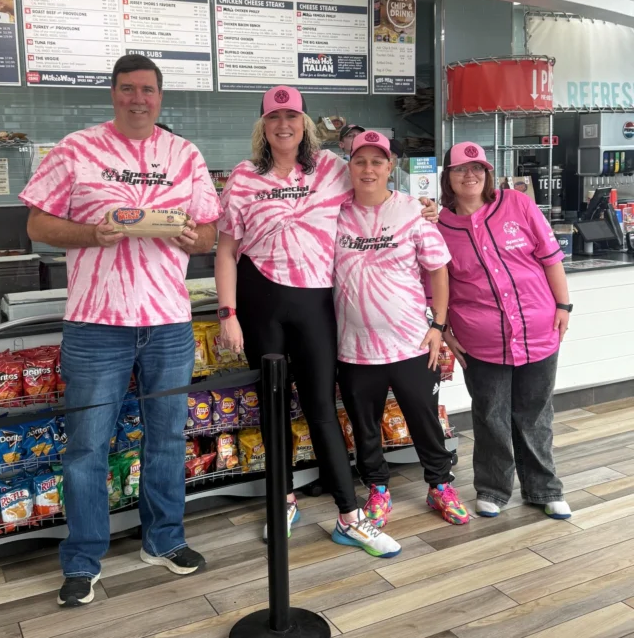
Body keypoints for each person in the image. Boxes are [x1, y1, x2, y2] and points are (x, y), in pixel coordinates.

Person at [20, 55, 222, 607]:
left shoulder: (185, 155)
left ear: (161, 97)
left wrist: (191, 238)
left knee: (166, 440)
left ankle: (164, 540)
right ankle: (83, 560)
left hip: (168, 324)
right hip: (95, 325)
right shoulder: (75, 148)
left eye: (148, 90)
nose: (139, 99)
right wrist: (90, 233)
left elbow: (208, 232)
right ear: (113, 94)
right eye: (128, 89)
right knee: (86, 447)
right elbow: (36, 223)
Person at [215, 87, 404, 558]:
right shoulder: (242, 177)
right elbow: (224, 250)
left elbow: (374, 187)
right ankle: (282, 501)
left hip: (316, 302)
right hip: (261, 300)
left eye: (293, 116)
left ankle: (349, 515)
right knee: (273, 407)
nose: (285, 125)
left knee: (321, 406)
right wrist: (228, 314)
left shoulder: (330, 170)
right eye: (275, 117)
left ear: (306, 124)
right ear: (263, 126)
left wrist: (415, 210)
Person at [335, 131, 470, 529]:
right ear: (350, 167)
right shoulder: (335, 212)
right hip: (354, 347)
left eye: (378, 161)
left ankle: (439, 485)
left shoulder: (413, 209)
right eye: (361, 161)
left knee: (425, 420)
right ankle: (378, 488)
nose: (368, 168)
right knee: (365, 425)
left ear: (391, 167)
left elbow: (438, 269)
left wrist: (439, 326)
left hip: (412, 342)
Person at [438, 142, 572, 520]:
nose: (471, 175)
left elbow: (550, 257)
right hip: (480, 339)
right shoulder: (440, 227)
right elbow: (435, 285)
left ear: (488, 173)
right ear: (448, 176)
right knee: (490, 415)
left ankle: (543, 489)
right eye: (461, 169)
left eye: (478, 168)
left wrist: (563, 305)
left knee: (535, 413)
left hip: (537, 327)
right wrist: (444, 328)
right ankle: (494, 489)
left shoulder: (516, 203)